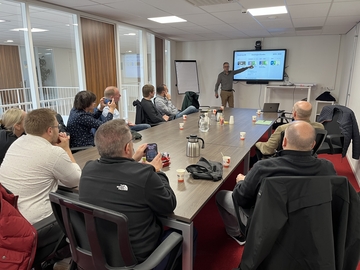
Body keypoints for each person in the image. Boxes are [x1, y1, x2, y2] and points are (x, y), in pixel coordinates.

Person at [216, 121, 337, 245]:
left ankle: (237, 234)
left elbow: (241, 198)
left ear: (283, 142)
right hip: (309, 224)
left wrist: (242, 182)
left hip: (267, 225)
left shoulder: (263, 167)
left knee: (221, 196)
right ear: (313, 144)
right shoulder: (327, 167)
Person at [79, 119, 176, 264]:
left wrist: (133, 160)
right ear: (127, 148)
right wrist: (156, 171)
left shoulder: (87, 169)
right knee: (188, 234)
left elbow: (116, 172)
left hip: (99, 252)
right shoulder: (146, 175)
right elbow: (169, 204)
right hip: (137, 258)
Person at [0, 108, 81, 264]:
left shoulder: (17, 143)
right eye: (58, 127)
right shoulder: (52, 153)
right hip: (35, 225)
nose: (60, 130)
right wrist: (65, 149)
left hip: (10, 221)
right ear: (50, 130)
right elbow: (76, 180)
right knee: (80, 213)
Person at [255, 100, 324, 157]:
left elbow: (267, 150)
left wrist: (258, 143)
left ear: (294, 114)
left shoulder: (283, 128)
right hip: (308, 158)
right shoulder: (320, 127)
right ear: (310, 114)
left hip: (285, 160)